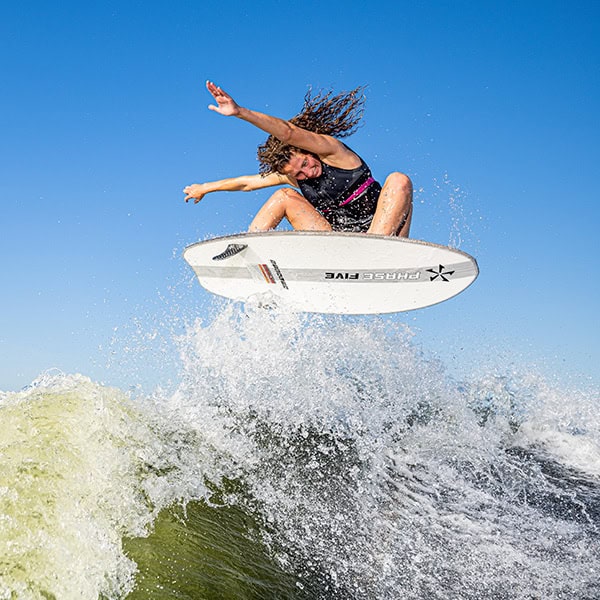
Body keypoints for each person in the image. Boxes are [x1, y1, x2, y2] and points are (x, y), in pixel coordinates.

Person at [183, 81, 413, 237]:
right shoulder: (295, 177)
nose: (306, 173)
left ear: (309, 150)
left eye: (305, 164)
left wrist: (241, 112)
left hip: (383, 236)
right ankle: (254, 256)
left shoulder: (333, 152)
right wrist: (205, 187)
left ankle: (375, 252)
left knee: (398, 180)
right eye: (298, 174)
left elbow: (289, 133)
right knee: (284, 196)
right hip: (340, 243)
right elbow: (247, 183)